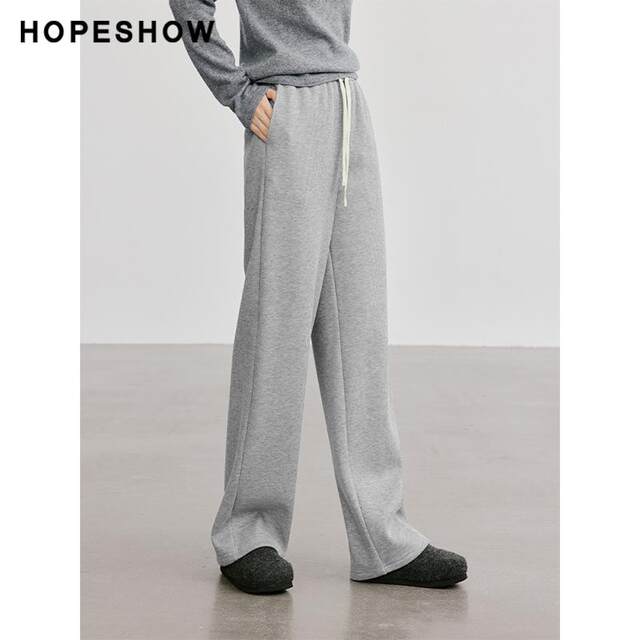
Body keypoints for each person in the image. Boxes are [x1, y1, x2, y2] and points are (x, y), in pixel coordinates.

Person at [169, 0, 467, 595]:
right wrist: (235, 90)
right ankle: (247, 530)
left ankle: (382, 537)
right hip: (284, 108)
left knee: (361, 329)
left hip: (348, 101)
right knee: (276, 328)